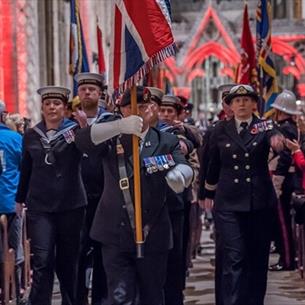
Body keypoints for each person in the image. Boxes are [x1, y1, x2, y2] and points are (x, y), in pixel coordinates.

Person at [75, 86, 193, 305]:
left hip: (153, 231)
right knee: (120, 296)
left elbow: (184, 165)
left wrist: (180, 176)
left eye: (143, 106)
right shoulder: (112, 138)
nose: (137, 111)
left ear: (152, 108)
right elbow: (82, 140)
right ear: (122, 110)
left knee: (152, 295)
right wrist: (118, 126)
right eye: (130, 107)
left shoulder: (164, 141)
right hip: (114, 231)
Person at [204, 84, 284, 305]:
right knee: (234, 256)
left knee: (257, 258)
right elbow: (213, 164)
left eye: (247, 100)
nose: (242, 104)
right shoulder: (220, 129)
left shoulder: (264, 125)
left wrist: (278, 142)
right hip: (228, 202)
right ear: (230, 105)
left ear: (254, 104)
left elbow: (275, 135)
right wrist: (207, 192)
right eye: (237, 101)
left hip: (259, 201)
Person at [15, 86, 87, 305]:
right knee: (43, 261)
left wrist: (84, 130)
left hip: (71, 205)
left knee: (68, 262)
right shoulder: (31, 135)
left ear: (65, 108)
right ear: (42, 108)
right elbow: (26, 168)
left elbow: (89, 153)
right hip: (40, 206)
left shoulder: (75, 131)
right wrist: (19, 199)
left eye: (56, 104)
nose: (52, 108)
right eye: (47, 104)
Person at [74, 72, 108, 305]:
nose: (87, 92)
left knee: (103, 253)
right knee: (77, 252)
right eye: (83, 89)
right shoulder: (69, 126)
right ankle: (77, 298)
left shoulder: (110, 123)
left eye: (91, 89)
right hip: (77, 199)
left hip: (105, 197)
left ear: (100, 94)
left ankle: (101, 299)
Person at [268, 90, 301, 271]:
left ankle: (287, 259)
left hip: (284, 178)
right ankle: (286, 257)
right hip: (288, 177)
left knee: (282, 222)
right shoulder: (292, 126)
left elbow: (285, 157)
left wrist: (278, 180)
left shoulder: (285, 129)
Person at [0, 102, 24, 303]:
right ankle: (15, 291)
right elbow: (26, 170)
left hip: (10, 201)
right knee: (14, 251)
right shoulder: (15, 138)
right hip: (10, 203)